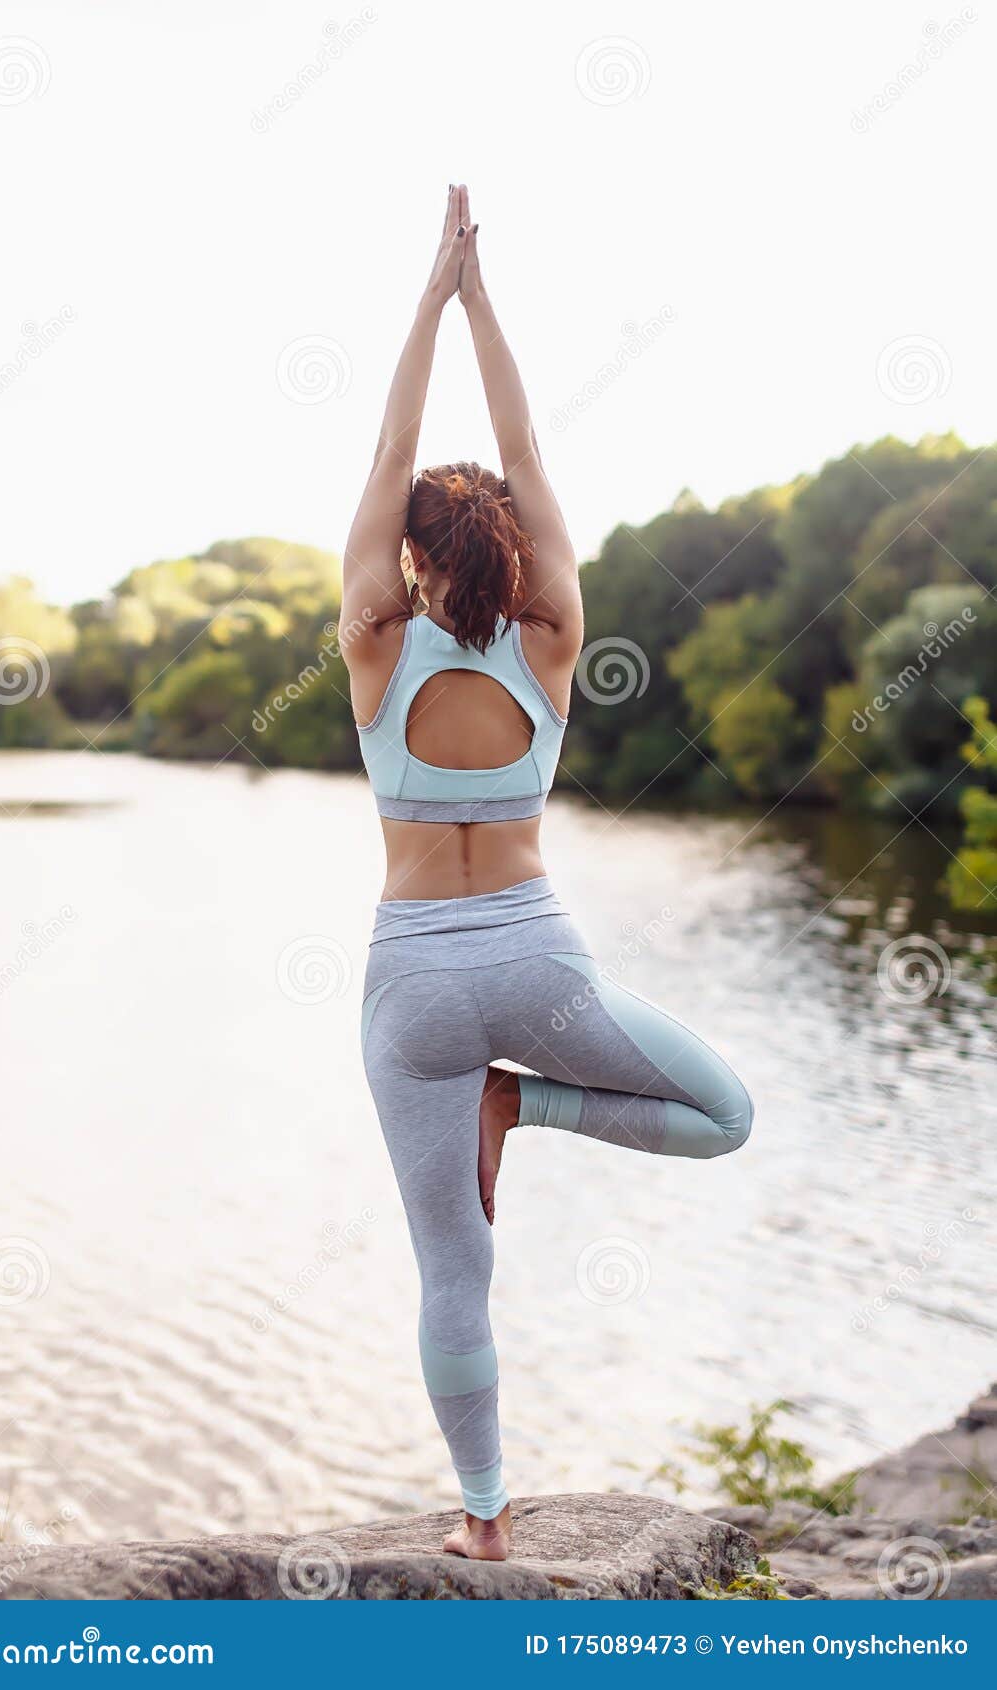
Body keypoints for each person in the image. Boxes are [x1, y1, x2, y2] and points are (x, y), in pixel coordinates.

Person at [342, 186, 753, 1562]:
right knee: (725, 1111)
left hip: (410, 982)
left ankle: (483, 1518)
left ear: (408, 552)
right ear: (515, 548)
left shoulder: (371, 640)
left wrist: (426, 297)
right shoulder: (555, 632)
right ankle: (534, 1103)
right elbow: (521, 439)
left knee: (453, 1272)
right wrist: (483, 299)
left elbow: (397, 439)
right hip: (534, 957)